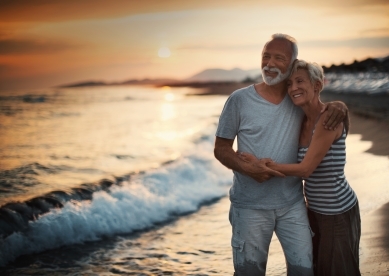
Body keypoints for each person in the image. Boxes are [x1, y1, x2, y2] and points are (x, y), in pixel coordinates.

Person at [214, 33, 347, 275]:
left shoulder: (296, 98)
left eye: (279, 58)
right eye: (266, 56)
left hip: (293, 205)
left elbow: (321, 108)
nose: (270, 63)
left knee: (304, 271)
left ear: (293, 63)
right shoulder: (239, 100)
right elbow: (221, 149)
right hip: (249, 207)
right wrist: (247, 168)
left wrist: (340, 106)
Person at [240, 60, 361, 275]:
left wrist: (263, 166)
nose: (293, 87)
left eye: (300, 81)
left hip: (337, 210)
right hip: (313, 210)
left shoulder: (328, 119)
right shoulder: (299, 120)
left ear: (317, 85)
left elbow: (305, 170)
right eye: (289, 84)